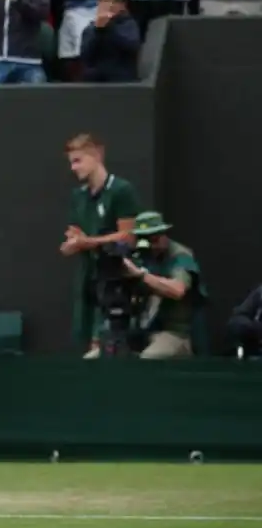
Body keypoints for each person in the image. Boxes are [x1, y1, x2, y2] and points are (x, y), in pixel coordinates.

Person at [59, 133, 142, 357]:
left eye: (78, 161)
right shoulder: (78, 196)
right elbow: (75, 232)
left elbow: (128, 237)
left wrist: (88, 241)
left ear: (96, 155)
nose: (73, 168)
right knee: (86, 341)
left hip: (114, 278)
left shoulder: (122, 190)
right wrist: (73, 243)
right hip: (87, 276)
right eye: (71, 162)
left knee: (106, 344)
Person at [119, 211, 206, 359]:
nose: (151, 245)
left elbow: (177, 290)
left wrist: (141, 275)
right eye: (143, 239)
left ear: (164, 235)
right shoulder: (140, 255)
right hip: (141, 330)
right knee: (100, 357)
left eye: (154, 239)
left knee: (148, 360)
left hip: (175, 332)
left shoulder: (179, 255)